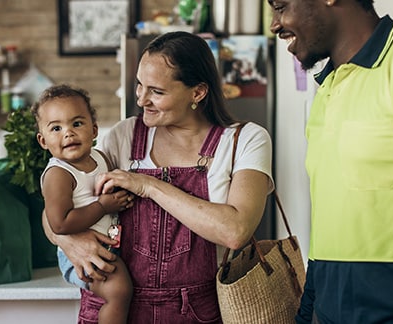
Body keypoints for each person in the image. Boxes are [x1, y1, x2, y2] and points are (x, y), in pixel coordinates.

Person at [43, 32, 274, 323]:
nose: (141, 100)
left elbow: (236, 231)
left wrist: (147, 185)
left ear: (197, 92)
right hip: (114, 309)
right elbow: (56, 213)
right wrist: (68, 241)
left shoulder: (245, 140)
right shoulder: (124, 136)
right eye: (139, 85)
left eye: (157, 92)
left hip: (195, 314)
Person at [267, 0, 393, 323]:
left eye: (281, 6)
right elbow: (334, 223)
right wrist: (309, 304)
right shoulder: (327, 87)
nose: (274, 24)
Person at [33, 84, 133, 324]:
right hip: (79, 257)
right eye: (56, 128)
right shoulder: (58, 174)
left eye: (77, 124)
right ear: (43, 140)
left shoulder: (100, 157)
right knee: (119, 291)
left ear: (94, 129)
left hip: (108, 244)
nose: (68, 133)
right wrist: (104, 206)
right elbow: (59, 223)